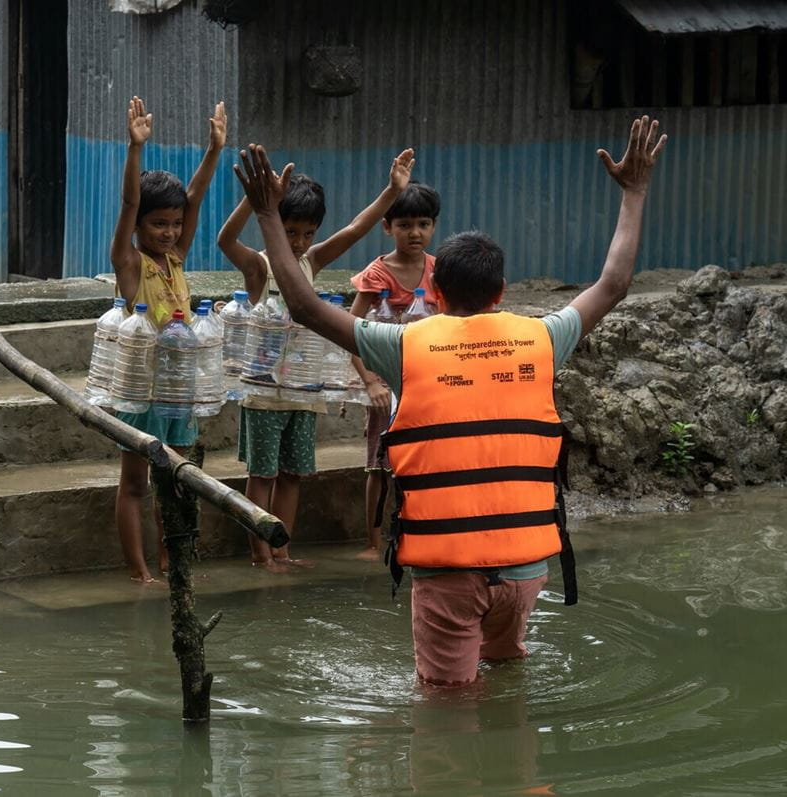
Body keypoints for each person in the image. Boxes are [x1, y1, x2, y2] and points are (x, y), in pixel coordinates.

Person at [232, 115, 667, 686]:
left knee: (445, 706)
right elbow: (613, 283)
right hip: (526, 568)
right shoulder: (543, 337)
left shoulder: (407, 345)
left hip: (447, 570)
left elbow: (305, 306)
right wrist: (634, 193)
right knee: (507, 678)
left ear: (435, 293)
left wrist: (267, 214)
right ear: (502, 293)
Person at [217, 155, 414, 570]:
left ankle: (282, 549)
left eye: (307, 233)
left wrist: (392, 192)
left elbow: (356, 229)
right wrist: (255, 201)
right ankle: (260, 553)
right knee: (263, 475)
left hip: (304, 392)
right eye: (290, 232)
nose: (299, 243)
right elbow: (224, 240)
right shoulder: (259, 266)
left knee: (292, 475)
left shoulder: (310, 262)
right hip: (265, 393)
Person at [110, 95, 227, 584]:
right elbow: (130, 201)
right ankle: (139, 571)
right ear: (139, 228)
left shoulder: (176, 257)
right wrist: (135, 149)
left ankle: (169, 561)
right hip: (141, 387)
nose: (170, 231)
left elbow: (195, 197)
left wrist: (214, 150)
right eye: (159, 224)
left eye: (175, 224)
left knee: (173, 482)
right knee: (135, 482)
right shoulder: (130, 261)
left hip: (178, 386)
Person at [348, 182, 442, 561]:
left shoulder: (439, 271)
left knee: (426, 463)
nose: (415, 233)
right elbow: (351, 331)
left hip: (427, 383)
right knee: (378, 466)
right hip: (387, 386)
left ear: (433, 227)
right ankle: (373, 542)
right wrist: (370, 382)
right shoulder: (377, 274)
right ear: (387, 227)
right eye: (405, 225)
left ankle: (422, 534)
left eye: (423, 224)